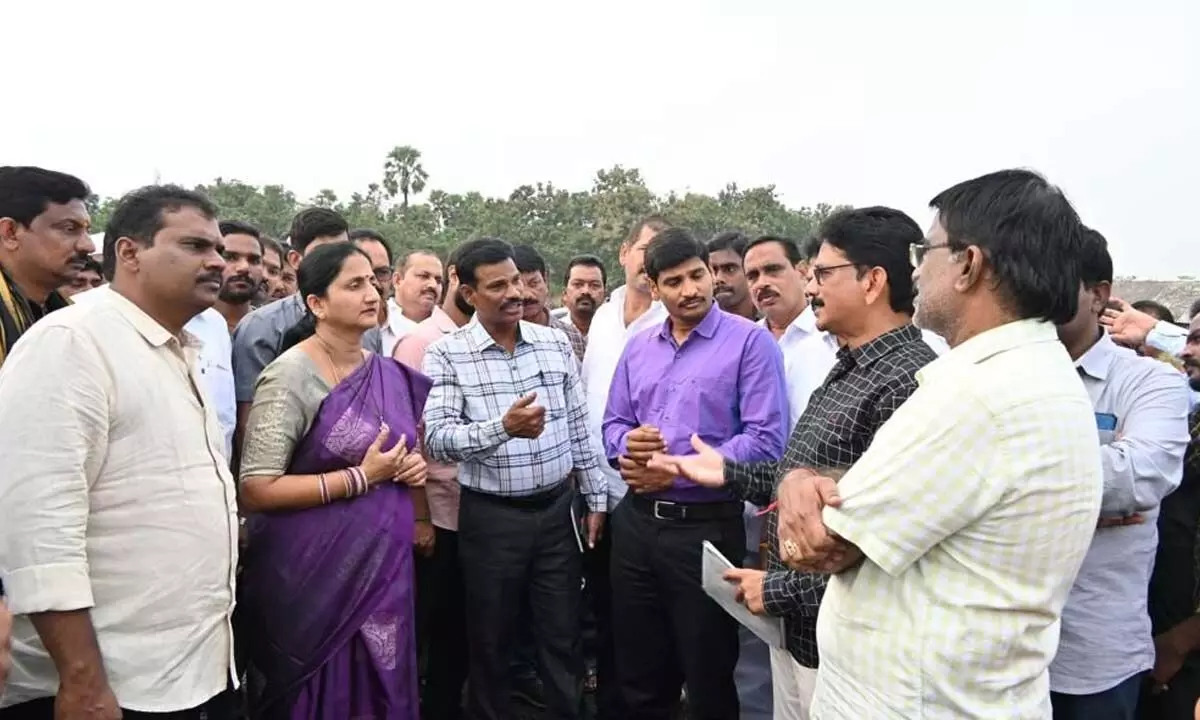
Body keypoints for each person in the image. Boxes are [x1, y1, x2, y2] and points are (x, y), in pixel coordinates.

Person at [773, 169, 1104, 718]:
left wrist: (797, 483)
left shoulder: (977, 393)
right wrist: (813, 483)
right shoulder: (1029, 372)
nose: (916, 268)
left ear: (969, 265)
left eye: (926, 250)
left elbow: (822, 542)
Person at [654, 208, 942, 720]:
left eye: (823, 273)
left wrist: (778, 588)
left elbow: (878, 536)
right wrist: (726, 471)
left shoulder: (906, 382)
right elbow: (798, 477)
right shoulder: (851, 364)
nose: (810, 286)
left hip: (850, 643)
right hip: (803, 630)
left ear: (873, 281)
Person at [0, 185, 239, 719]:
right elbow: (39, 532)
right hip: (106, 684)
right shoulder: (72, 341)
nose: (218, 261)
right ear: (129, 252)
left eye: (217, 248)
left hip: (188, 669)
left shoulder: (178, 346)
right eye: (196, 246)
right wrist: (83, 681)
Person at [237, 242, 429, 719]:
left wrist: (409, 468)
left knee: (382, 679)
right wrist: (360, 478)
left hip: (384, 566)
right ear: (316, 304)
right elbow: (257, 487)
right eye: (354, 284)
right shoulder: (290, 375)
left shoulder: (383, 371)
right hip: (310, 573)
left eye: (373, 281)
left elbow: (399, 452)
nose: (372, 293)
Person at [603, 228, 788, 720]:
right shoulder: (639, 346)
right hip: (636, 524)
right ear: (652, 285)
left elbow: (766, 442)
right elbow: (612, 425)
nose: (690, 290)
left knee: (709, 674)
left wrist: (678, 469)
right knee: (640, 672)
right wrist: (629, 448)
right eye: (674, 281)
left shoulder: (749, 342)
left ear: (709, 272)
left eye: (697, 275)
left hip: (706, 528)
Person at [422, 237, 605, 720]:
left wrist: (596, 496)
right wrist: (502, 429)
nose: (515, 293)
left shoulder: (553, 342)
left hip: (555, 512)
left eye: (518, 281)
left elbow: (578, 425)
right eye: (497, 285)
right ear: (468, 293)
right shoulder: (446, 354)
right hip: (491, 519)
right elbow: (437, 439)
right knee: (490, 640)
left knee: (561, 636)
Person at [1049, 227, 1189, 719]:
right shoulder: (996, 380)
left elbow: (1139, 477)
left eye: (1052, 279)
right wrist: (1081, 500)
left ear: (1099, 295)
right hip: (995, 652)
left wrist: (1000, 487)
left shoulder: (1150, 381)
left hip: (1094, 657)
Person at [578, 216, 670, 720]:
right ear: (624, 252)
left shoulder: (674, 319)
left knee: (647, 621)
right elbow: (591, 405)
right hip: (599, 493)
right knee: (605, 609)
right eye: (644, 248)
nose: (649, 260)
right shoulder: (606, 315)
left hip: (650, 490)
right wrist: (591, 491)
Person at [393, 245, 474, 720]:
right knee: (427, 626)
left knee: (456, 631)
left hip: (468, 510)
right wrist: (420, 514)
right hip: (435, 513)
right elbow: (407, 439)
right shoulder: (421, 343)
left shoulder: (474, 338)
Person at [232, 208, 382, 457]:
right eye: (325, 253)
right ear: (295, 259)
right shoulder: (261, 327)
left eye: (344, 250)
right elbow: (250, 430)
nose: (339, 261)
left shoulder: (369, 328)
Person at [0, 166, 94, 367]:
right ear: (10, 233)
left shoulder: (65, 313)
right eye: (69, 229)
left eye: (87, 231)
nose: (88, 245)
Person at [513, 244, 587, 361]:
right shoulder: (501, 339)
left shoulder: (571, 336)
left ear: (546, 281)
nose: (527, 295)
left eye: (534, 283)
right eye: (519, 287)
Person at [383, 249, 443, 356]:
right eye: (424, 276)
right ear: (397, 280)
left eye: (438, 280)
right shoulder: (377, 321)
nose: (433, 285)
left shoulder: (450, 330)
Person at [213, 220, 265, 333]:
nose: (244, 267)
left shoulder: (273, 329)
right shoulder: (184, 325)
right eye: (231, 257)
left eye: (254, 260)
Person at [708, 230, 757, 320]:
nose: (718, 279)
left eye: (730, 269)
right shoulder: (697, 326)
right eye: (713, 270)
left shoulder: (774, 323)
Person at [558, 254, 607, 337]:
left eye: (594, 285)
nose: (586, 291)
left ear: (605, 294)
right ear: (565, 293)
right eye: (578, 284)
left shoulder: (618, 333)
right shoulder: (553, 332)